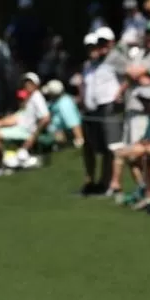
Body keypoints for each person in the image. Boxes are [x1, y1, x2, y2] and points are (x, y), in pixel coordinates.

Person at [80, 30, 123, 196]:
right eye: (89, 47)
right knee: (90, 146)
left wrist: (120, 94)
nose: (93, 50)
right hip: (90, 110)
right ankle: (91, 181)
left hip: (107, 108)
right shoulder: (88, 66)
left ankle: (108, 182)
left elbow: (127, 76)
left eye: (95, 46)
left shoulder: (109, 62)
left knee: (109, 147)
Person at [41, 80, 84, 148]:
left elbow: (73, 122)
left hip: (63, 133)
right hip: (56, 132)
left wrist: (79, 138)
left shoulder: (65, 102)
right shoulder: (54, 102)